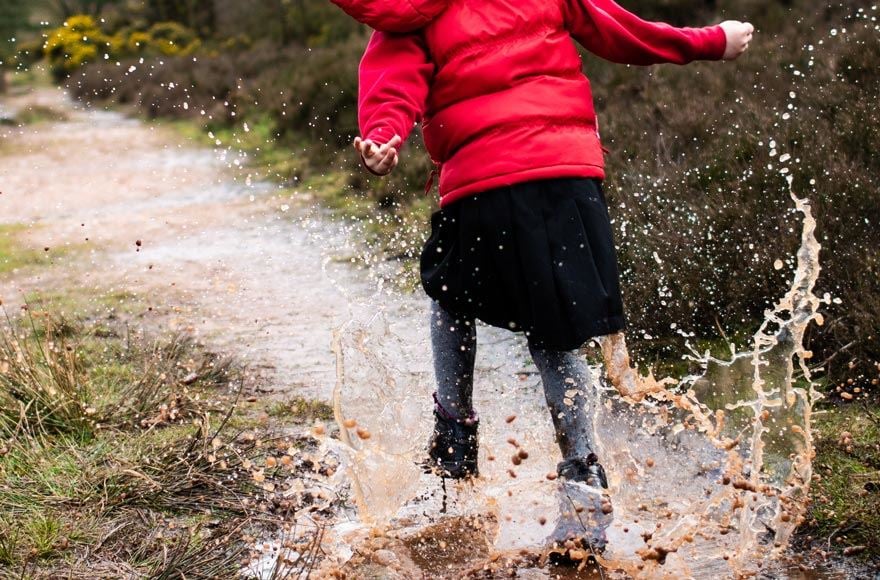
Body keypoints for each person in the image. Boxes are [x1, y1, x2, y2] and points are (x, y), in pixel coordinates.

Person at [333, 0, 752, 498]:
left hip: (481, 184)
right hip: (565, 175)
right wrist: (710, 41)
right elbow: (623, 32)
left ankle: (454, 432)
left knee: (450, 293)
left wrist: (384, 137)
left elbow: (394, 80)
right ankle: (582, 472)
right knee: (554, 325)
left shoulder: (414, 9)